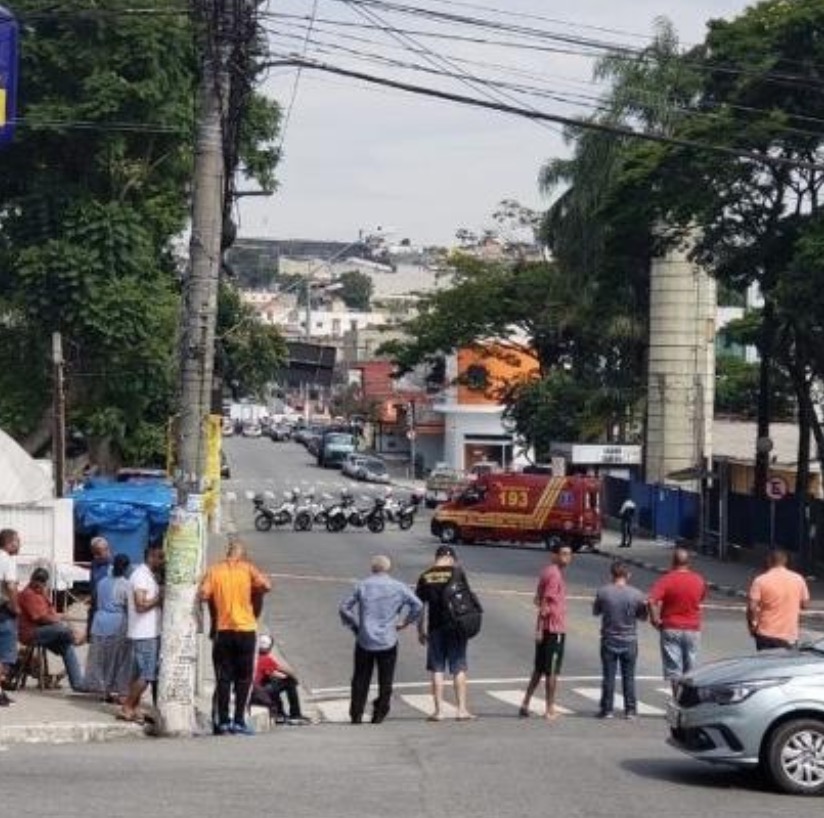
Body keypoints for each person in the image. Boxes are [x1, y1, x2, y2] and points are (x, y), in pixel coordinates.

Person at [339, 554, 423, 724]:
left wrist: (355, 625)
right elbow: (418, 605)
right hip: (388, 639)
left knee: (360, 678)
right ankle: (380, 712)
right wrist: (406, 622)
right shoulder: (398, 587)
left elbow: (344, 607)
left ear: (372, 568)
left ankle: (356, 713)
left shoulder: (363, 585)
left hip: (365, 638)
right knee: (386, 679)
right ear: (388, 569)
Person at [199, 540, 271, 735]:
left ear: (227, 553)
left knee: (223, 678)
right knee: (244, 678)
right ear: (243, 555)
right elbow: (266, 586)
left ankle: (223, 721)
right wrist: (252, 591)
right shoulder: (248, 569)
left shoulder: (214, 571)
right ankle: (239, 720)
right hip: (246, 629)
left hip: (223, 630)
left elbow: (204, 594)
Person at [416, 544, 475, 721]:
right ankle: (462, 709)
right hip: (457, 627)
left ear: (436, 558)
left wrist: (420, 629)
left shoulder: (426, 576)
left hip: (435, 628)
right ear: (451, 558)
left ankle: (439, 711)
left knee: (437, 668)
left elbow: (420, 606)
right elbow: (466, 599)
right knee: (458, 667)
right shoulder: (457, 573)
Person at [519, 542, 573, 720]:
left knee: (539, 669)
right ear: (555, 555)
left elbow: (537, 598)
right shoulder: (555, 575)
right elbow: (543, 603)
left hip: (546, 629)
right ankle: (549, 709)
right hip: (553, 629)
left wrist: (539, 627)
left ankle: (525, 703)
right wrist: (542, 627)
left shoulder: (547, 572)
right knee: (552, 671)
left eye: (569, 554)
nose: (567, 558)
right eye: (563, 553)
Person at [647, 547, 707, 696]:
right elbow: (701, 598)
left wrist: (655, 620)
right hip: (692, 628)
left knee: (674, 668)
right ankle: (689, 699)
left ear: (673, 562)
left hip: (671, 626)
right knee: (691, 668)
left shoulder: (667, 579)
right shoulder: (699, 580)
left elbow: (651, 601)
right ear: (688, 563)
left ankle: (677, 699)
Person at [593, 561, 647, 719]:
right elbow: (643, 617)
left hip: (609, 638)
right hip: (629, 639)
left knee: (608, 676)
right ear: (627, 575)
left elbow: (596, 611)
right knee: (628, 677)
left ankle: (607, 709)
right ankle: (630, 710)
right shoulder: (637, 594)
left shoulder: (603, 592)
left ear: (612, 575)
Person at [18, 567, 86, 692]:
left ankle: (78, 683)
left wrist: (60, 618)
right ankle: (75, 638)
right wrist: (63, 623)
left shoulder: (42, 593)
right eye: (38, 582)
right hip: (31, 633)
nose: (40, 585)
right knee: (62, 629)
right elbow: (40, 618)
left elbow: (51, 613)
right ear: (33, 580)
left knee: (67, 647)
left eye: (42, 582)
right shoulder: (28, 594)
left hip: (46, 632)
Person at [120, 544, 164, 723]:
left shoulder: (147, 576)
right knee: (147, 675)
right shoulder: (140, 576)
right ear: (151, 557)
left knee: (139, 674)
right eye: (160, 557)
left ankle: (134, 707)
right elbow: (140, 605)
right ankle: (127, 707)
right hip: (144, 634)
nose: (163, 561)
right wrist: (159, 598)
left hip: (147, 632)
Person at [84, 553, 132, 702]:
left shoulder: (102, 582)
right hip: (117, 623)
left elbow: (95, 603)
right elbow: (129, 607)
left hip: (99, 622)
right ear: (126, 568)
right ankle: (114, 689)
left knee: (100, 658)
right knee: (116, 659)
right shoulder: (126, 585)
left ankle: (101, 689)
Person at [747, 549, 810, 651]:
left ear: (769, 561)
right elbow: (805, 605)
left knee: (765, 665)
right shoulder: (799, 579)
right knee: (784, 665)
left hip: (766, 633)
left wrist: (752, 625)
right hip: (789, 636)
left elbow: (752, 607)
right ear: (785, 561)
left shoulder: (760, 580)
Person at [250, 634, 310, 725]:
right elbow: (287, 672)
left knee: (273, 681)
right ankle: (295, 714)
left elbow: (270, 673)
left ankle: (280, 713)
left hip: (252, 691)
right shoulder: (266, 659)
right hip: (259, 693)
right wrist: (295, 678)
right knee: (290, 682)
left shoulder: (253, 657)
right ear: (269, 647)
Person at [0, 529, 21, 706]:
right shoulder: (7, 560)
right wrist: (16, 608)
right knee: (6, 655)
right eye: (17, 541)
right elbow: (11, 586)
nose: (19, 545)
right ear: (9, 543)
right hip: (3, 612)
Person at [87, 536, 112, 638]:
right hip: (95, 609)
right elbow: (93, 583)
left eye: (98, 553)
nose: (95, 556)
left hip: (108, 612)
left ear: (107, 549)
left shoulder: (115, 566)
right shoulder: (94, 564)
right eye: (94, 553)